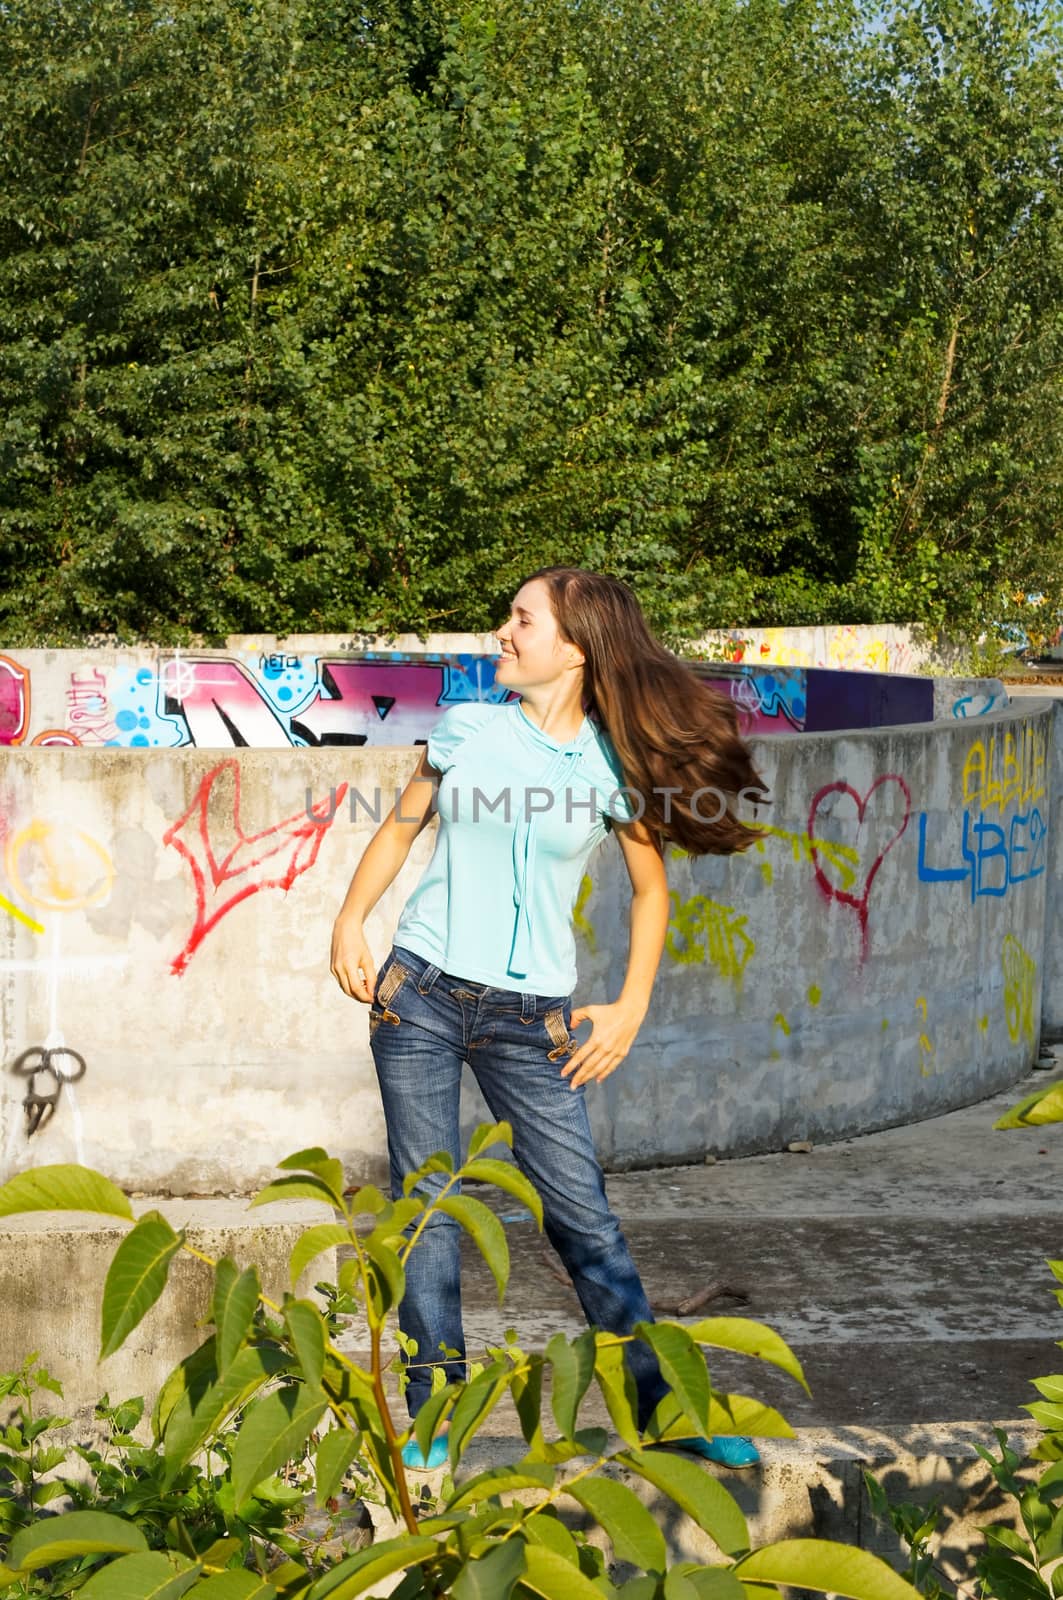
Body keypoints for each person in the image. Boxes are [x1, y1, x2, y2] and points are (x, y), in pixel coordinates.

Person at [330, 567, 768, 1470]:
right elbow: (400, 829)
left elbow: (652, 893)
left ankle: (667, 1416)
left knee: (582, 1214)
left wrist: (632, 1004)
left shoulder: (615, 764)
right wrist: (348, 919)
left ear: (572, 647)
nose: (501, 631)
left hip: (535, 1020)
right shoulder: (465, 730)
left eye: (519, 620)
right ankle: (433, 1414)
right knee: (427, 1207)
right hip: (418, 994)